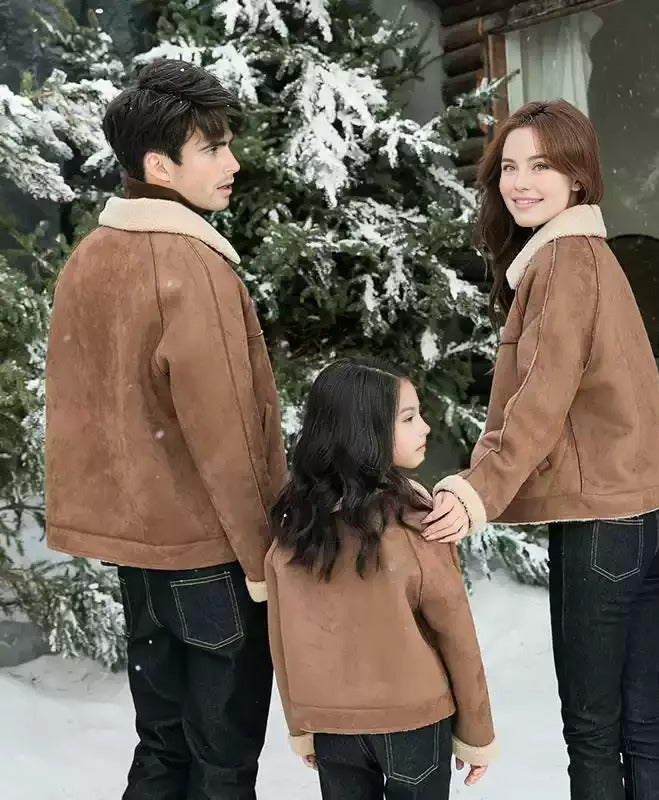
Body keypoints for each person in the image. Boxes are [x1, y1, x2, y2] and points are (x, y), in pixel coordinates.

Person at [424, 100, 659, 800]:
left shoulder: (564, 260)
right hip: (648, 516)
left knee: (595, 730)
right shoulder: (590, 255)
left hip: (603, 524)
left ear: (578, 176)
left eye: (541, 164)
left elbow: (540, 396)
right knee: (638, 718)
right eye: (509, 166)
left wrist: (479, 488)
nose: (520, 181)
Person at [44, 59, 287, 800]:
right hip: (211, 554)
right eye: (213, 148)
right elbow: (229, 438)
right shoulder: (192, 267)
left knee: (164, 746)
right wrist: (265, 558)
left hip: (141, 558)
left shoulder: (90, 258)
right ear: (159, 164)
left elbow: (87, 414)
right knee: (223, 760)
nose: (233, 162)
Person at [265, 358, 496, 800]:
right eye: (409, 418)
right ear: (363, 433)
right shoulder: (412, 525)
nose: (425, 427)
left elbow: (283, 639)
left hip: (335, 729)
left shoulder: (294, 531)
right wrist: (477, 732)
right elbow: (455, 632)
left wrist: (302, 724)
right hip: (412, 725)